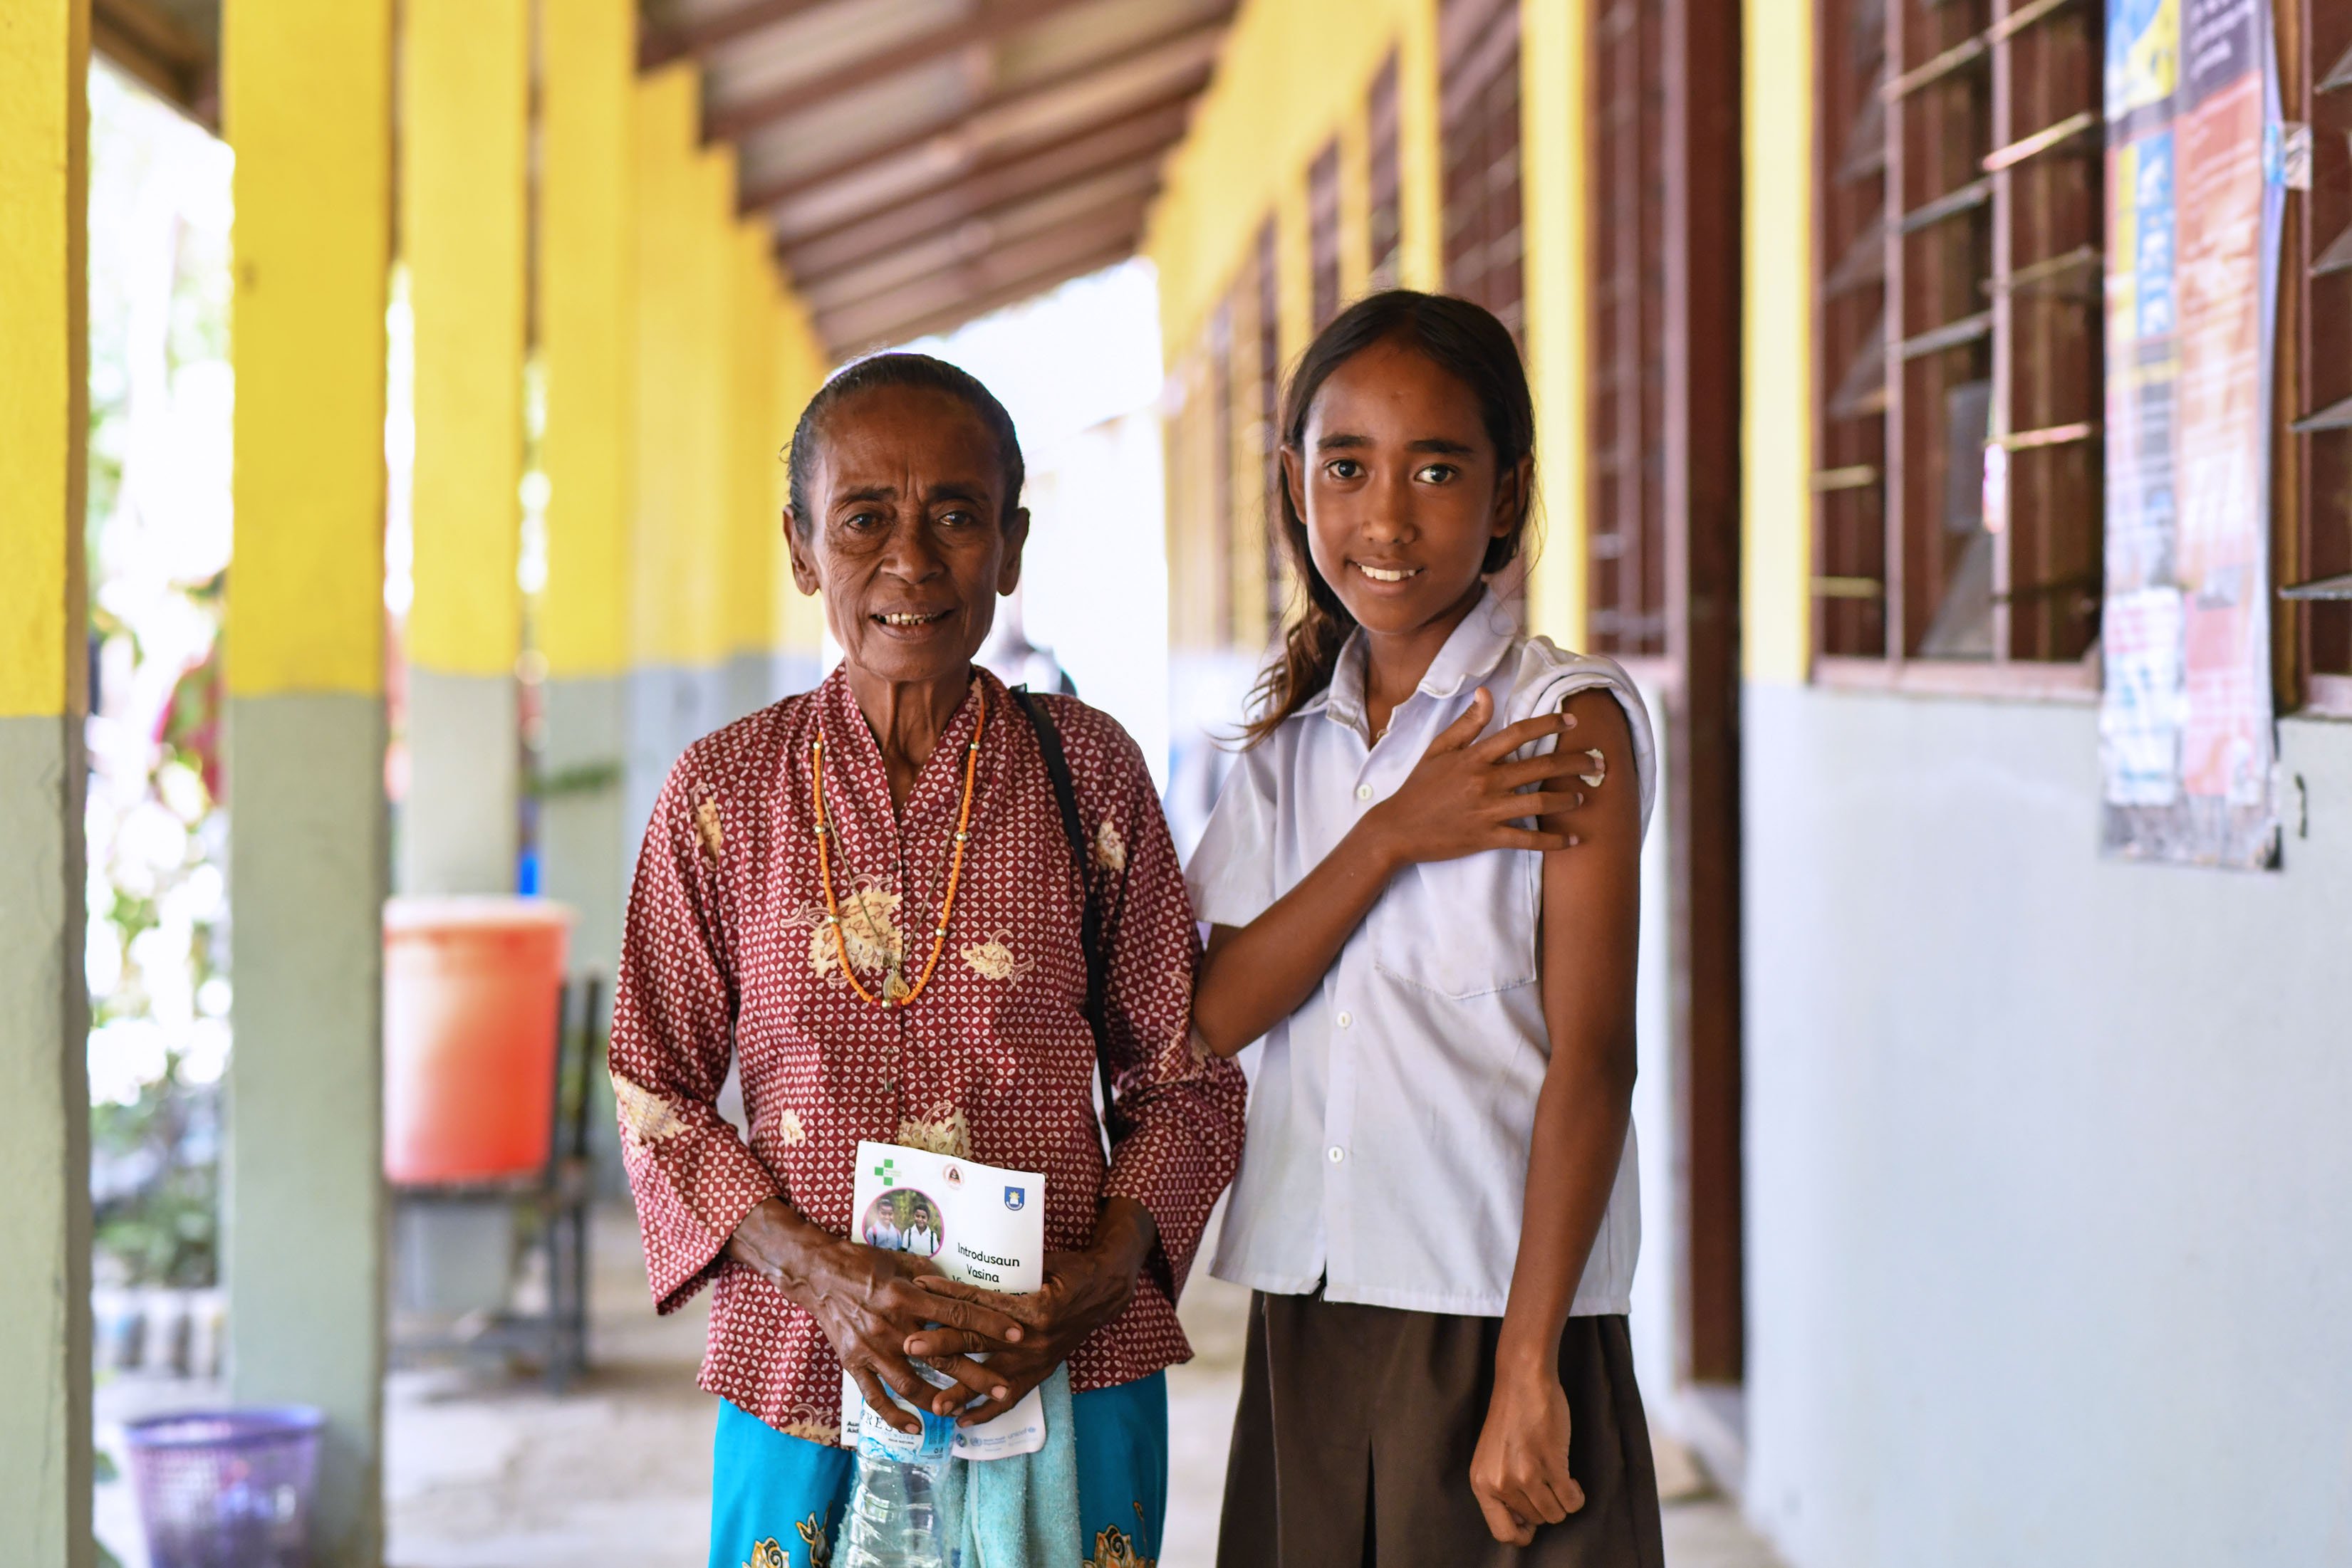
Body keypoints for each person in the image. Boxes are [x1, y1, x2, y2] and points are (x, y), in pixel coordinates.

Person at [607, 352, 1246, 1568]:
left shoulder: (1086, 768)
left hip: (1065, 1362)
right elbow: (654, 1090)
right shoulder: (724, 793)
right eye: (864, 519)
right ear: (802, 550)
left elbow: (1186, 1082)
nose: (911, 558)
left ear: (1009, 546)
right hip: (803, 1361)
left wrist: (1094, 1281)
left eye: (955, 513)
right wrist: (817, 1272)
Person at [1185, 291, 1665, 1566]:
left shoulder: (1564, 724)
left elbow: (1593, 1057)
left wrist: (1528, 1367)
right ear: (1295, 485)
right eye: (1346, 469)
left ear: (1507, 496)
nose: (1385, 519)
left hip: (1492, 1317)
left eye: (1436, 470)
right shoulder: (1288, 758)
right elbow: (1209, 1008)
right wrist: (1393, 832)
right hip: (1315, 1316)